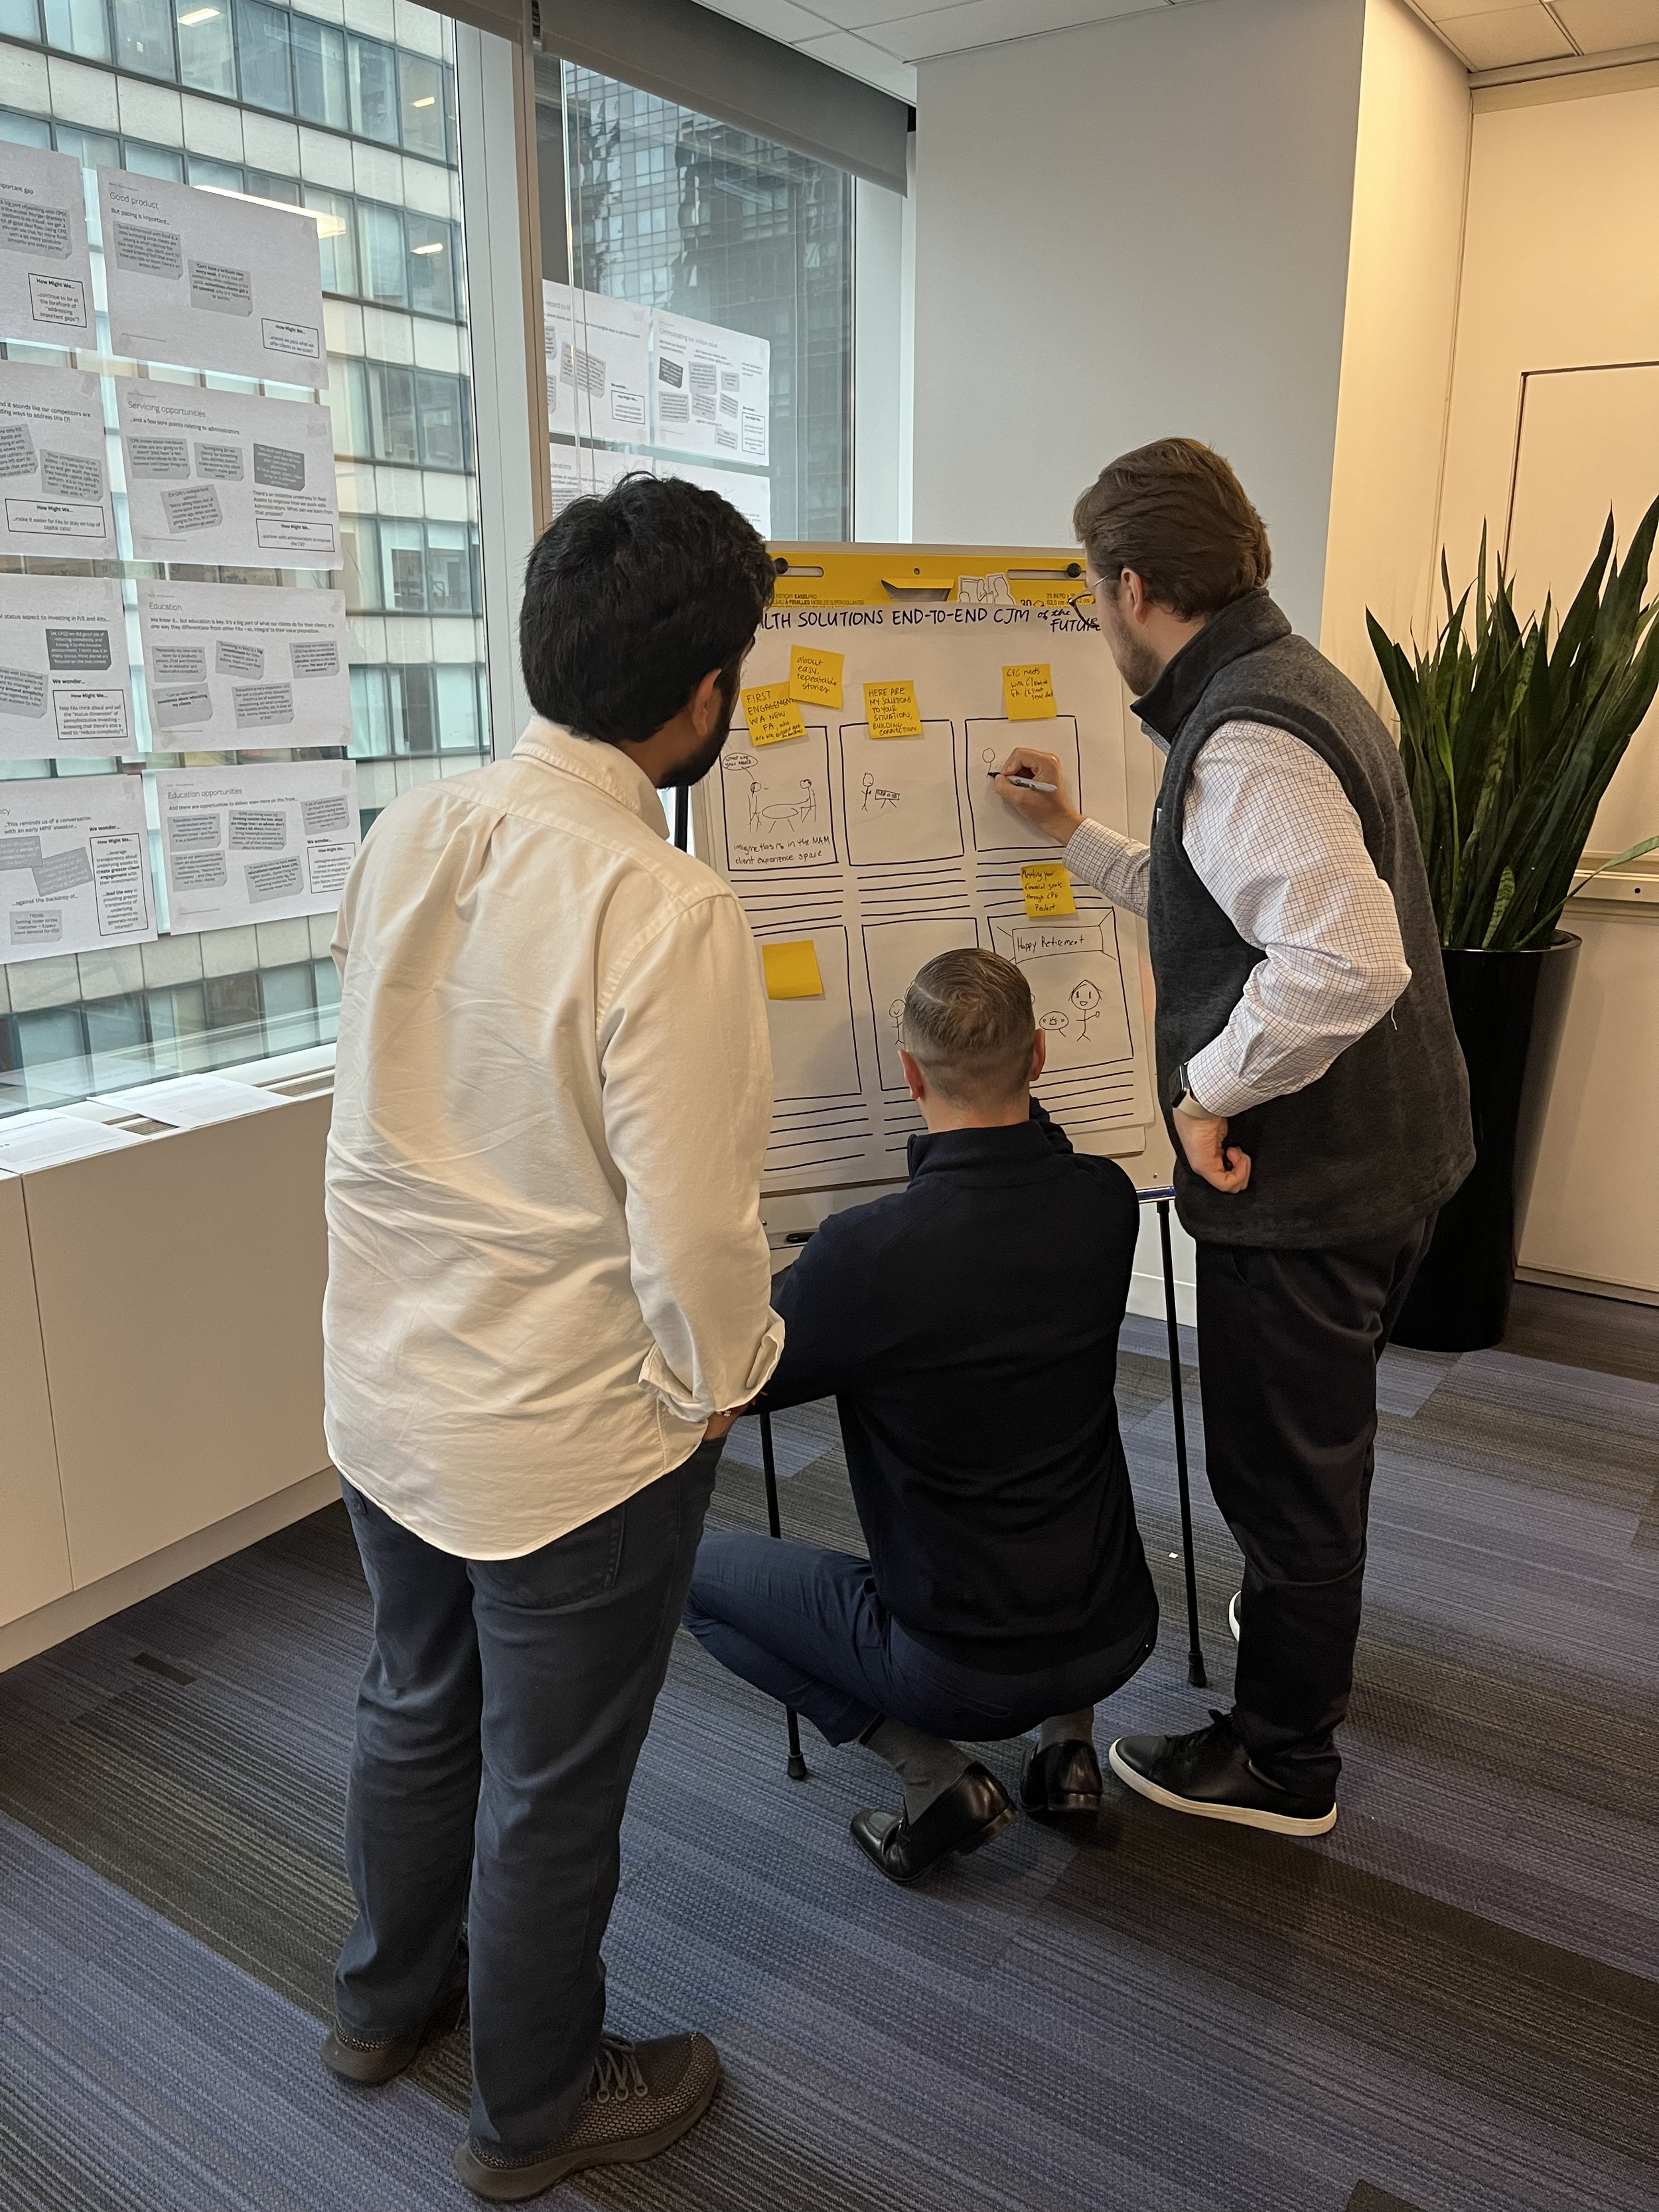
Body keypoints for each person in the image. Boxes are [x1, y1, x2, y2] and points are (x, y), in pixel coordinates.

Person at [319, 476, 782, 2201]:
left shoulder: (410, 830)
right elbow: (694, 1235)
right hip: (567, 1439)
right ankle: (531, 2108)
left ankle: (383, 2001)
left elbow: (383, 1106)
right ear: (702, 697)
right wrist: (726, 1382)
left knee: (412, 1695)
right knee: (551, 1779)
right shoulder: (663, 910)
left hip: (387, 1387)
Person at [995, 437, 1473, 1839]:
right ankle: (1292, 1618)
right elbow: (1235, 895)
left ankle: (1281, 1759)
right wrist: (1076, 837)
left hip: (1310, 1191)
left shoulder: (1245, 734)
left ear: (1135, 588)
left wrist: (1201, 1091)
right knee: (1308, 1450)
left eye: (1093, 596)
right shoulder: (1287, 685)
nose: (1094, 621)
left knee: (1287, 1470)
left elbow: (1338, 961)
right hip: (1389, 1154)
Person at [685, 948, 1159, 1885]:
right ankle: (1067, 1756)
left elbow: (733, 1381)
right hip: (1119, 1631)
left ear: (907, 1076)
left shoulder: (868, 1254)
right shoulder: (1106, 1203)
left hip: (963, 1673)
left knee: (692, 1579)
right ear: (1042, 1058)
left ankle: (932, 1776)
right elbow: (1038, 1169)